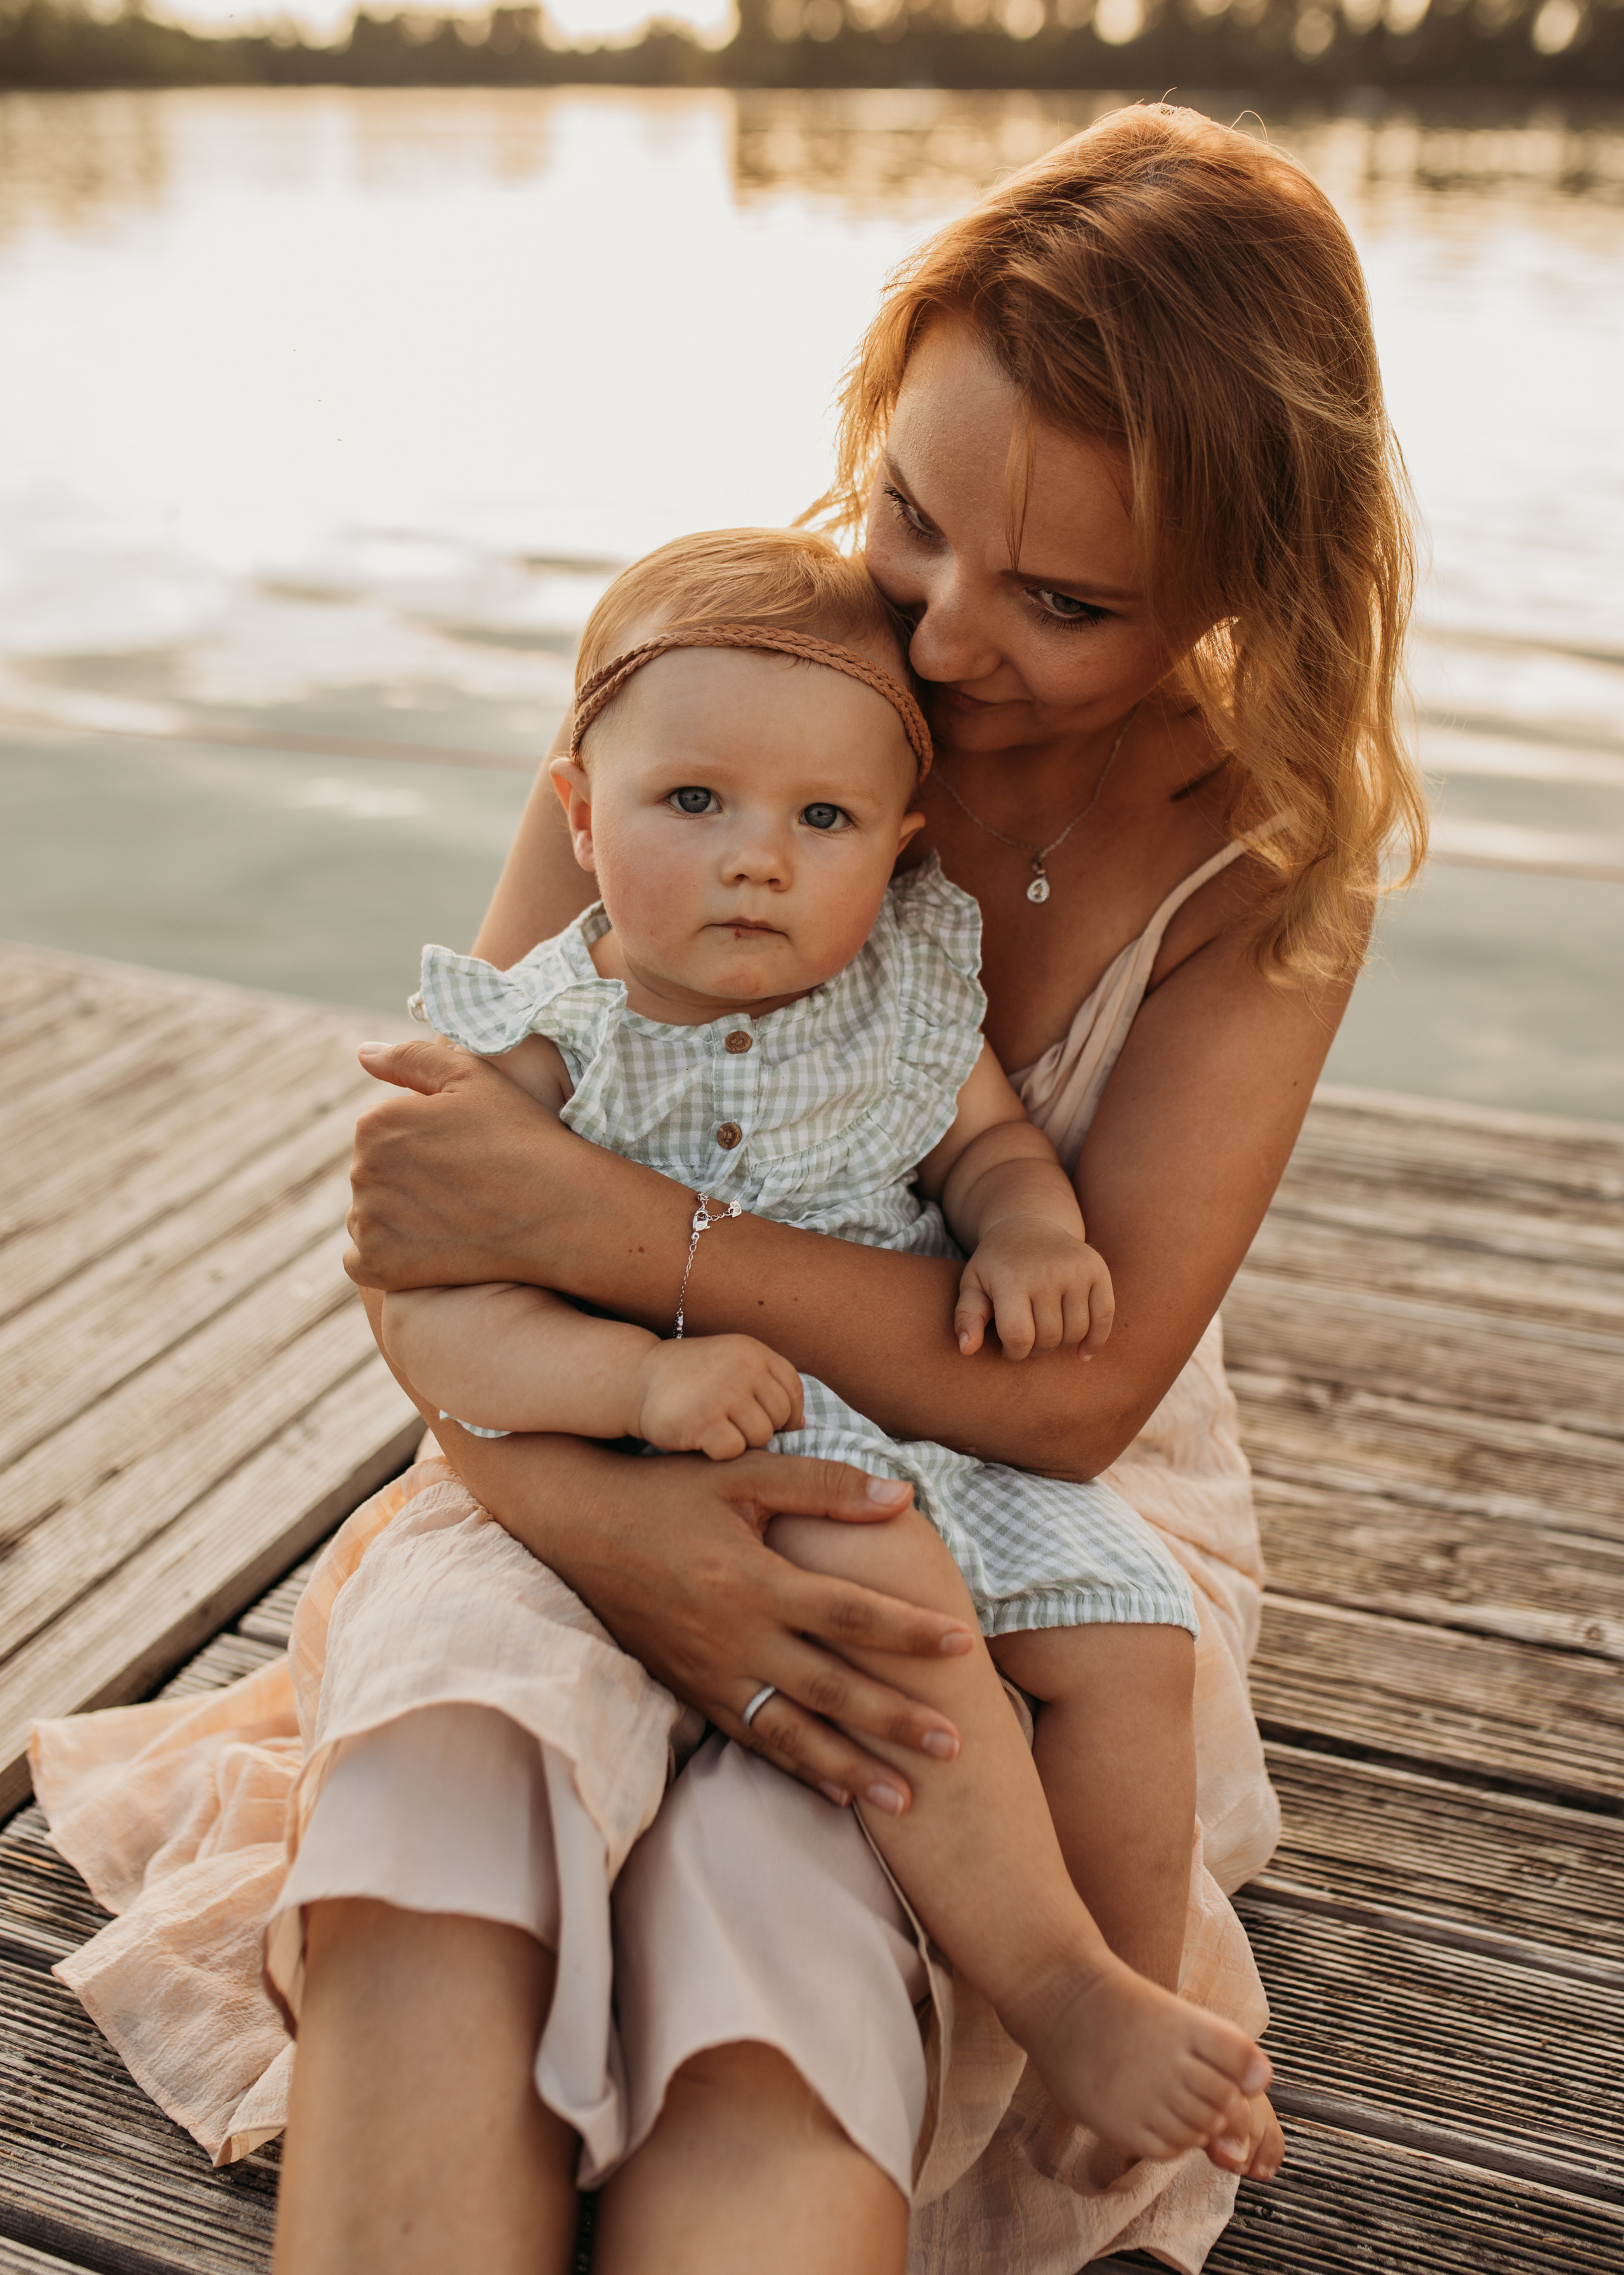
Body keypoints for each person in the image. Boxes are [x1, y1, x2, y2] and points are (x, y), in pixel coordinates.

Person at [30, 102, 1422, 2275]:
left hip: (1020, 1495)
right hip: (575, 1425)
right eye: (913, 520)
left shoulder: (1268, 869)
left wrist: (615, 1234)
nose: (951, 638)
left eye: (1061, 601)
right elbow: (427, 1245)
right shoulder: (724, 706)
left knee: (794, 1890)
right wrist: (616, 1515)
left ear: (1249, 581)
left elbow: (1060, 1395)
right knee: (445, 1797)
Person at [383, 522, 1274, 2178]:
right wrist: (639, 1380)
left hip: (948, 1430)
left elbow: (990, 1146)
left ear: (897, 848)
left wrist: (1027, 1228)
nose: (758, 861)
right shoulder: (551, 1032)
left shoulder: (903, 1002)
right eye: (694, 805)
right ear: (579, 814)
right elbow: (436, 1307)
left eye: (823, 822)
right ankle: (1060, 1985)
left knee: (1134, 1632)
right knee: (907, 1617)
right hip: (734, 1446)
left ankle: (1118, 2009)